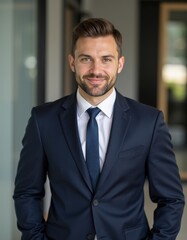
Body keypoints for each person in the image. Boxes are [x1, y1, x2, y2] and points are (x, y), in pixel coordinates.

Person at [13, 18, 185, 240]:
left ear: (119, 64)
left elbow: (171, 198)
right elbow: (27, 192)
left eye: (106, 59)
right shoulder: (43, 120)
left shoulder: (148, 122)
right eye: (86, 59)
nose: (96, 70)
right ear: (72, 62)